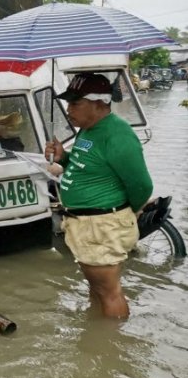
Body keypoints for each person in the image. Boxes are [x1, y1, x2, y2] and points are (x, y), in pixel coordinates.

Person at [44, 73, 153, 319]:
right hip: (87, 226)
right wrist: (63, 156)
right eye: (68, 103)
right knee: (98, 289)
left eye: (75, 103)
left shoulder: (117, 134)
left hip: (102, 226)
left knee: (108, 292)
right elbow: (85, 165)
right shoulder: (88, 131)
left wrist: (125, 212)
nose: (69, 109)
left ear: (99, 103)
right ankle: (95, 336)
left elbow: (142, 185)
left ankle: (112, 347)